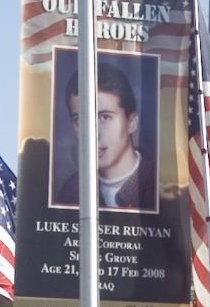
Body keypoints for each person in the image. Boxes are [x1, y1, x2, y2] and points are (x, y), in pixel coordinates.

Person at [54, 60, 156, 211]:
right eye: (80, 120)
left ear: (131, 122)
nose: (93, 135)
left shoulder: (159, 187)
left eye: (105, 117)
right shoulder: (71, 192)